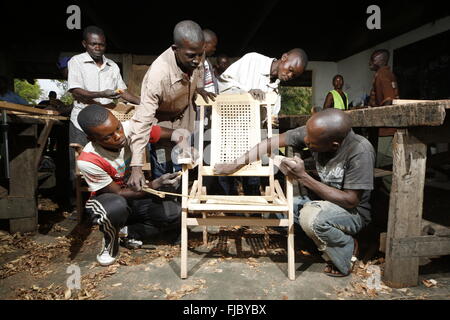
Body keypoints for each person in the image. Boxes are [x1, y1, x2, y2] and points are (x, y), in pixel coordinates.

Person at [214, 108, 375, 277]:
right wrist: (235, 164)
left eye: (311, 143)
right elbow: (269, 143)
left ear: (334, 144)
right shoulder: (315, 132)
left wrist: (303, 176)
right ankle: (321, 241)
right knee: (274, 213)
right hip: (320, 203)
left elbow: (351, 200)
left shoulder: (359, 151)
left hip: (352, 213)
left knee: (312, 220)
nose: (306, 141)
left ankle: (346, 248)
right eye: (306, 136)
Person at [76, 105, 182, 266]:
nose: (119, 136)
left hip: (136, 196)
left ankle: (129, 232)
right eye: (107, 137)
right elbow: (118, 193)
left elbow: (176, 134)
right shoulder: (88, 160)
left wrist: (184, 143)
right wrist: (155, 184)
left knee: (176, 213)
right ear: (92, 139)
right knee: (116, 206)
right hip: (108, 200)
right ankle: (110, 242)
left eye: (118, 127)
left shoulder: (132, 129)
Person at [128, 20, 215, 191]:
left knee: (183, 170)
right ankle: (166, 211)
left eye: (201, 54)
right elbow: (142, 122)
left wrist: (198, 88)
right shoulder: (158, 76)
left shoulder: (196, 57)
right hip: (162, 126)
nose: (198, 60)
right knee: (164, 173)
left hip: (185, 123)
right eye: (191, 55)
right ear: (176, 49)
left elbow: (197, 73)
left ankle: (178, 210)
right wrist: (136, 166)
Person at [68, 25, 140, 152]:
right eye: (93, 44)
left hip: (106, 126)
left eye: (101, 45)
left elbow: (122, 91)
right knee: (80, 162)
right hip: (82, 122)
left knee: (107, 162)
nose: (98, 48)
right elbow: (76, 92)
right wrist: (102, 94)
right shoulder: (76, 62)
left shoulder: (112, 66)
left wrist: (143, 102)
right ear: (84, 44)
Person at [218, 48, 308, 116]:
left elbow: (270, 118)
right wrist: (248, 91)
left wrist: (269, 118)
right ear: (284, 57)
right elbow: (222, 83)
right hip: (227, 128)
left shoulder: (275, 91)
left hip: (251, 136)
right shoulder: (252, 60)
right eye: (290, 69)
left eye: (294, 75)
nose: (289, 75)